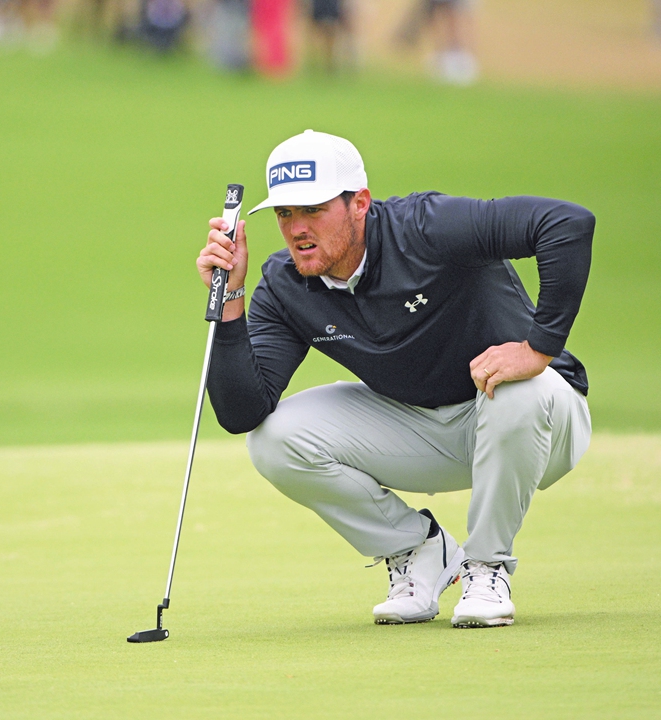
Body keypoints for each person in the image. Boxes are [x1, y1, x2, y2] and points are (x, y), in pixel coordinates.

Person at [196, 130, 594, 628]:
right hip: (427, 432)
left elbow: (566, 224)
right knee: (274, 438)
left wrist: (539, 348)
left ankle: (487, 566)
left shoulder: (426, 227)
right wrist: (230, 298)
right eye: (284, 214)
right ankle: (420, 551)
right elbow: (241, 413)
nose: (297, 228)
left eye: (313, 210)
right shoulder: (285, 284)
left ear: (359, 203)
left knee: (520, 388)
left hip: (538, 424)